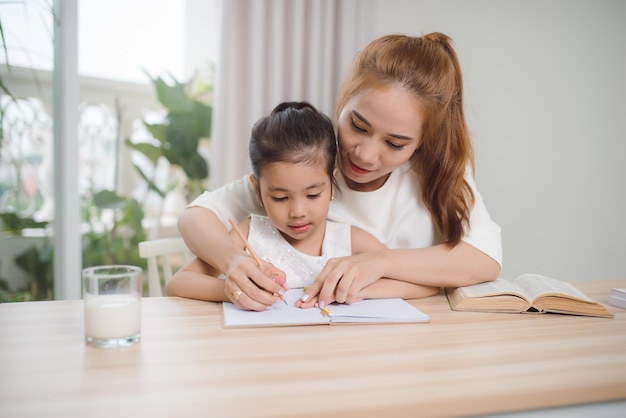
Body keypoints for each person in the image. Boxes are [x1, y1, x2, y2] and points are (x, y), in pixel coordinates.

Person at [177, 32, 502, 311]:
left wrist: (380, 264)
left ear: (421, 142)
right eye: (358, 126)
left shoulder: (436, 171)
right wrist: (231, 262)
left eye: (395, 144)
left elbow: (484, 259)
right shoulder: (309, 161)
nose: (365, 154)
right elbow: (194, 217)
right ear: (344, 100)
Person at [166, 101, 438, 307]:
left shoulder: (348, 239)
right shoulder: (249, 234)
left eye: (312, 195)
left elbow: (426, 286)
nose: (298, 212)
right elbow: (178, 283)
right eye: (280, 197)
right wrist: (230, 290)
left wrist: (355, 290)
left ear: (332, 184)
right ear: (257, 192)